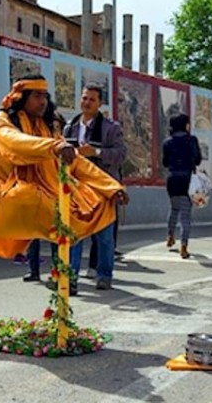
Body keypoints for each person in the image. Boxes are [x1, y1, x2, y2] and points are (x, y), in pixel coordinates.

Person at [0, 76, 128, 278]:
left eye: (45, 96)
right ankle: (57, 274)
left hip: (53, 188)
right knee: (47, 207)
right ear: (21, 97)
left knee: (100, 205)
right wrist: (54, 146)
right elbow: (15, 143)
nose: (42, 101)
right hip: (14, 191)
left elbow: (76, 161)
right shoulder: (1, 120)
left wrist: (111, 187)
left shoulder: (46, 125)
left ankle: (74, 277)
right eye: (36, 96)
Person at [61, 83, 128, 291]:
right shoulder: (70, 127)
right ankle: (71, 278)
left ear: (100, 103)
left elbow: (121, 155)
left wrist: (96, 153)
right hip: (78, 189)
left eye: (91, 99)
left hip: (102, 189)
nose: (86, 102)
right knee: (74, 234)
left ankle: (104, 275)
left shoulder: (110, 128)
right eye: (84, 98)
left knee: (105, 236)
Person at [23, 106, 66, 282]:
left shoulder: (63, 145)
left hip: (55, 192)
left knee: (55, 235)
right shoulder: (40, 142)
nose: (54, 129)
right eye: (52, 125)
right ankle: (34, 270)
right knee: (33, 233)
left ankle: (57, 272)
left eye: (57, 126)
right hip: (36, 191)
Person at [162, 112, 202, 259]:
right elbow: (197, 160)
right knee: (186, 215)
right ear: (185, 125)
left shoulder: (167, 142)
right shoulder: (191, 140)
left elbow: (165, 163)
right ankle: (183, 246)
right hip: (187, 180)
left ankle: (170, 236)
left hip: (172, 179)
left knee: (174, 209)